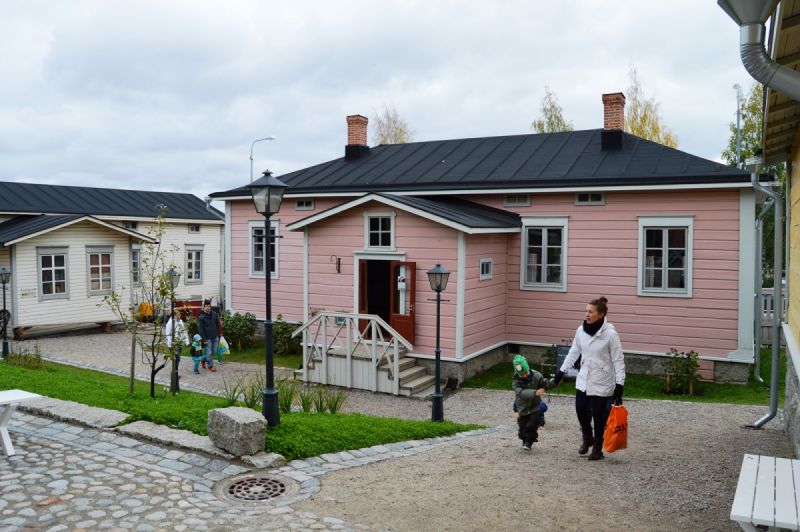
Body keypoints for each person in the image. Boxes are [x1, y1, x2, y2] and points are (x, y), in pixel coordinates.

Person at [554, 296, 625, 461]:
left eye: (590, 312)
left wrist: (619, 384)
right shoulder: (581, 330)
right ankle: (588, 437)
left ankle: (598, 450)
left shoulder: (611, 335)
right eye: (586, 311)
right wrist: (561, 372)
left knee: (599, 417)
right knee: (580, 410)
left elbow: (618, 360)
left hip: (603, 380)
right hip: (584, 378)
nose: (587, 314)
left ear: (600, 314)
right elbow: (574, 352)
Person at [512, 354, 555, 451]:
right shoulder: (515, 380)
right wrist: (535, 393)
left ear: (528, 369)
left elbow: (544, 384)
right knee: (522, 427)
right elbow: (521, 393)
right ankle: (524, 440)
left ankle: (529, 442)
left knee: (532, 424)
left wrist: (553, 382)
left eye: (525, 373)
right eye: (521, 374)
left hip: (535, 406)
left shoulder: (537, 375)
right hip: (522, 407)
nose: (524, 375)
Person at [164, 310, 189, 377]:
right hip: (174, 344)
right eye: (178, 315)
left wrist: (187, 341)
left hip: (179, 343)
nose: (179, 316)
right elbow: (168, 335)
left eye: (179, 315)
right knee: (176, 359)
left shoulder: (180, 322)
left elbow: (184, 331)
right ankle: (174, 374)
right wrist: (169, 345)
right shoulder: (169, 324)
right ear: (174, 315)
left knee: (178, 359)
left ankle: (175, 372)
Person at [197, 299, 218, 372]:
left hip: (215, 337)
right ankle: (210, 366)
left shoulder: (214, 314)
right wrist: (204, 339)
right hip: (207, 338)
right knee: (209, 352)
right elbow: (201, 329)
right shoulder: (201, 317)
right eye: (206, 306)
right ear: (204, 307)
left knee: (214, 351)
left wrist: (219, 334)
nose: (208, 307)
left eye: (209, 306)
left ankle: (204, 359)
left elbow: (218, 324)